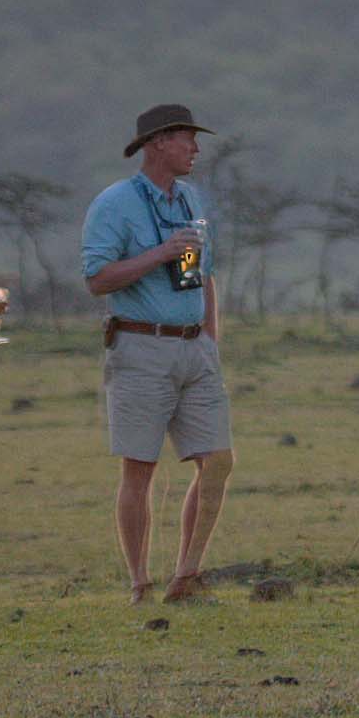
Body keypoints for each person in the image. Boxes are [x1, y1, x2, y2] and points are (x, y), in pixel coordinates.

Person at [79, 100, 232, 606]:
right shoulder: (115, 203)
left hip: (194, 349)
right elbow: (97, 279)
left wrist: (210, 337)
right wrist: (159, 255)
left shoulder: (189, 200)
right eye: (187, 138)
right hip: (141, 345)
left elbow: (202, 274)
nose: (195, 148)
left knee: (218, 461)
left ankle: (187, 575)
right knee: (139, 468)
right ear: (158, 143)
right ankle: (140, 583)